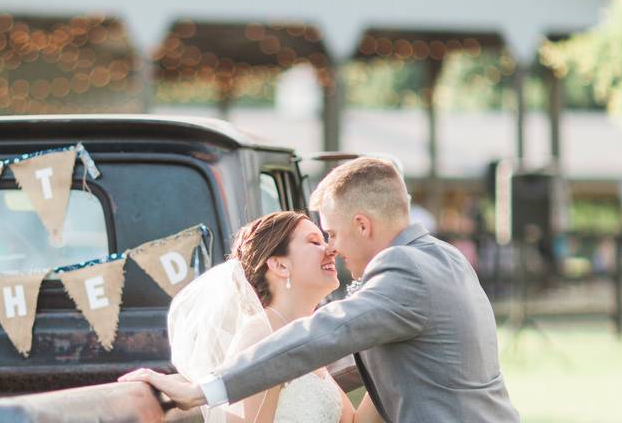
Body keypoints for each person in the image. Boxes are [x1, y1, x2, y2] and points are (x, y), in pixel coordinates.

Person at [120, 157, 519, 423]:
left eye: (331, 233)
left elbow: (327, 332)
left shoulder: (405, 268)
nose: (334, 248)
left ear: (363, 225)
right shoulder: (444, 257)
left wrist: (201, 391)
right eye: (319, 240)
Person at [132, 210, 379, 422]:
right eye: (315, 242)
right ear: (280, 265)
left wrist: (391, 354)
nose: (331, 250)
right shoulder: (261, 334)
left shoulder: (302, 335)